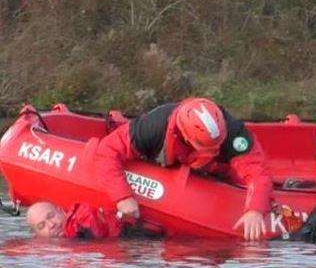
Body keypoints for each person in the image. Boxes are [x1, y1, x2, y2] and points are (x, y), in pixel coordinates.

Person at [95, 98, 273, 240]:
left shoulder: (235, 135)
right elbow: (107, 150)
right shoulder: (153, 126)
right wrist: (122, 196)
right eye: (205, 147)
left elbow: (257, 173)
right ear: (185, 136)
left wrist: (255, 210)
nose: (212, 151)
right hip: (165, 171)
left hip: (216, 179)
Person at [26, 201, 122, 239]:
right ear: (37, 236)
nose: (51, 225)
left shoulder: (81, 218)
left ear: (60, 210)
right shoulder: (42, 253)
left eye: (51, 216)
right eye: (42, 226)